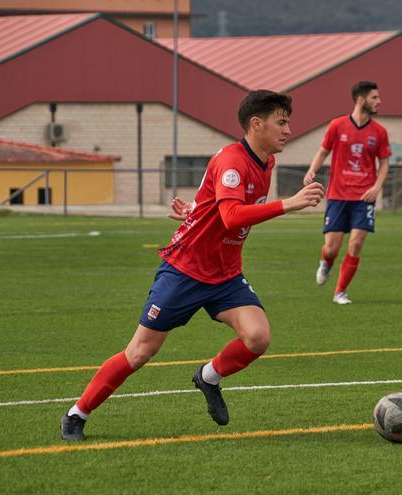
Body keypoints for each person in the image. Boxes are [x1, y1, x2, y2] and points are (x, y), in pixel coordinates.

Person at [60, 90, 325, 441]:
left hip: (225, 273)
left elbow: (214, 202)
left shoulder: (265, 162)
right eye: (282, 121)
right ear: (256, 124)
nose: (288, 129)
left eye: (287, 121)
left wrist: (195, 212)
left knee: (258, 337)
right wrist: (288, 204)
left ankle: (209, 377)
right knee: (140, 352)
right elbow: (231, 216)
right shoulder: (233, 162)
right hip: (185, 270)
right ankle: (77, 414)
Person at [303, 81, 391, 305]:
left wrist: (376, 187)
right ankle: (326, 263)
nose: (379, 102)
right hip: (338, 195)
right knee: (332, 247)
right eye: (374, 98)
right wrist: (312, 171)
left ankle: (340, 292)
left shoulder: (379, 132)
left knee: (355, 243)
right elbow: (323, 152)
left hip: (364, 197)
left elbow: (384, 163)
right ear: (361, 100)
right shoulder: (337, 126)